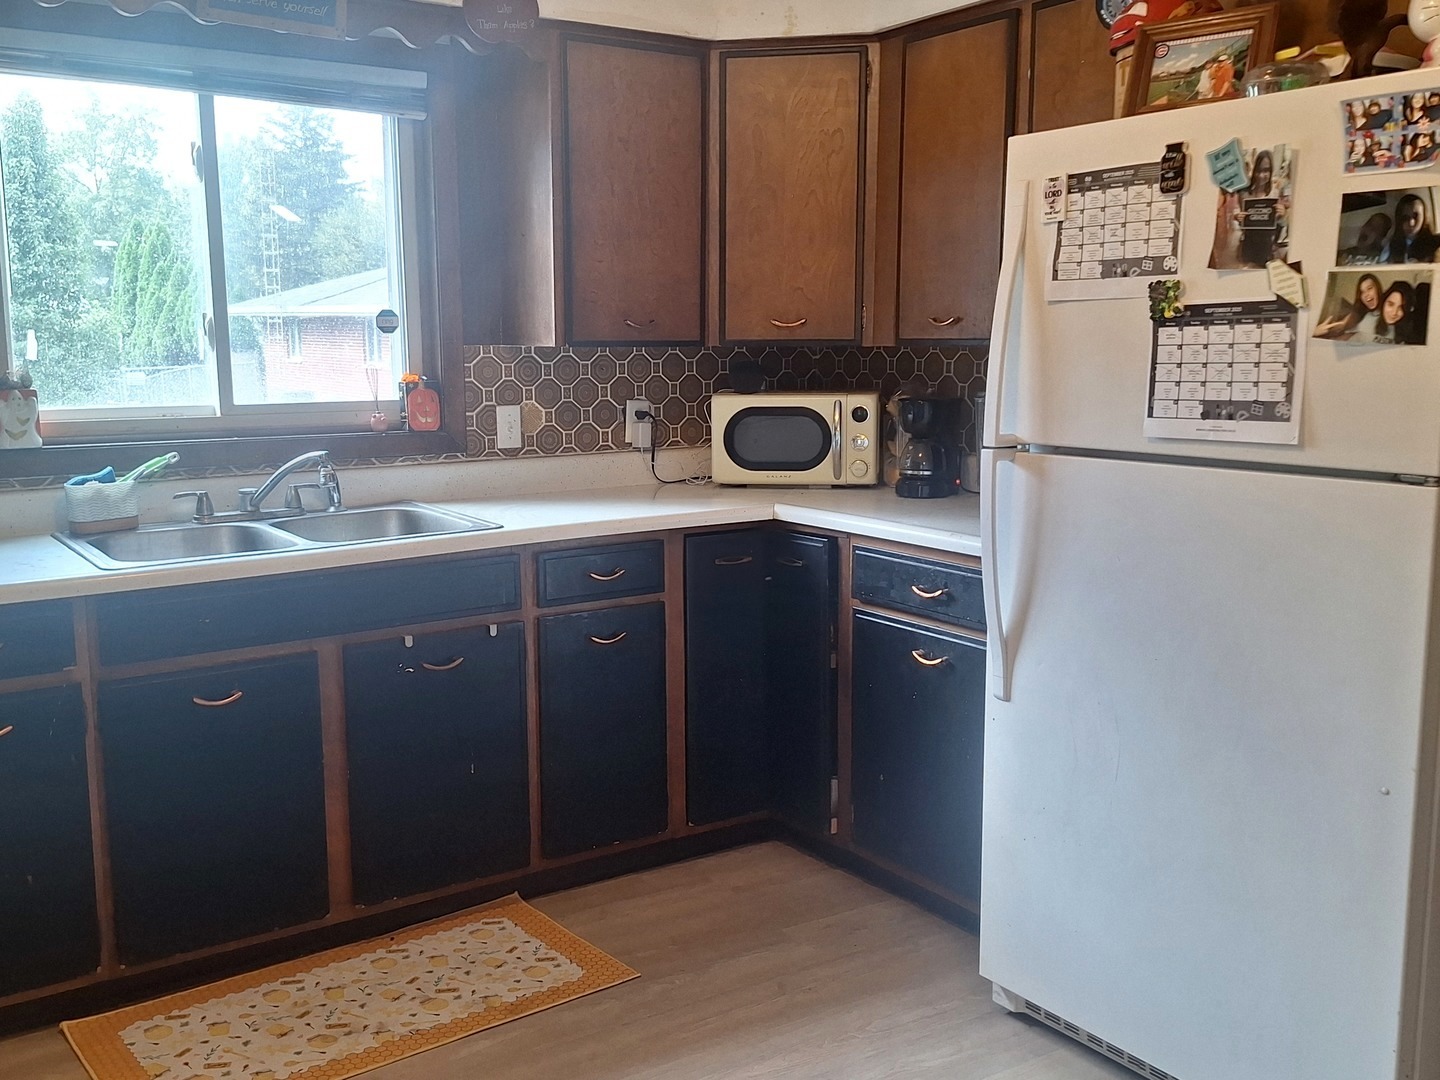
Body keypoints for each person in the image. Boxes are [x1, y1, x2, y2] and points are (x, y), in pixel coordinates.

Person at [1315, 273, 1383, 338]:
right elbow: (1342, 326)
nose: (1366, 294)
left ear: (1378, 288)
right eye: (1362, 292)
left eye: (1369, 288)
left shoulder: (1387, 313)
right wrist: (1316, 332)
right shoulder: (1358, 312)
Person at [1385, 193, 1439, 263]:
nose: (1411, 223)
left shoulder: (1436, 244)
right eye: (1405, 218)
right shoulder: (1392, 246)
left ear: (1424, 217)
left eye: (1416, 216)